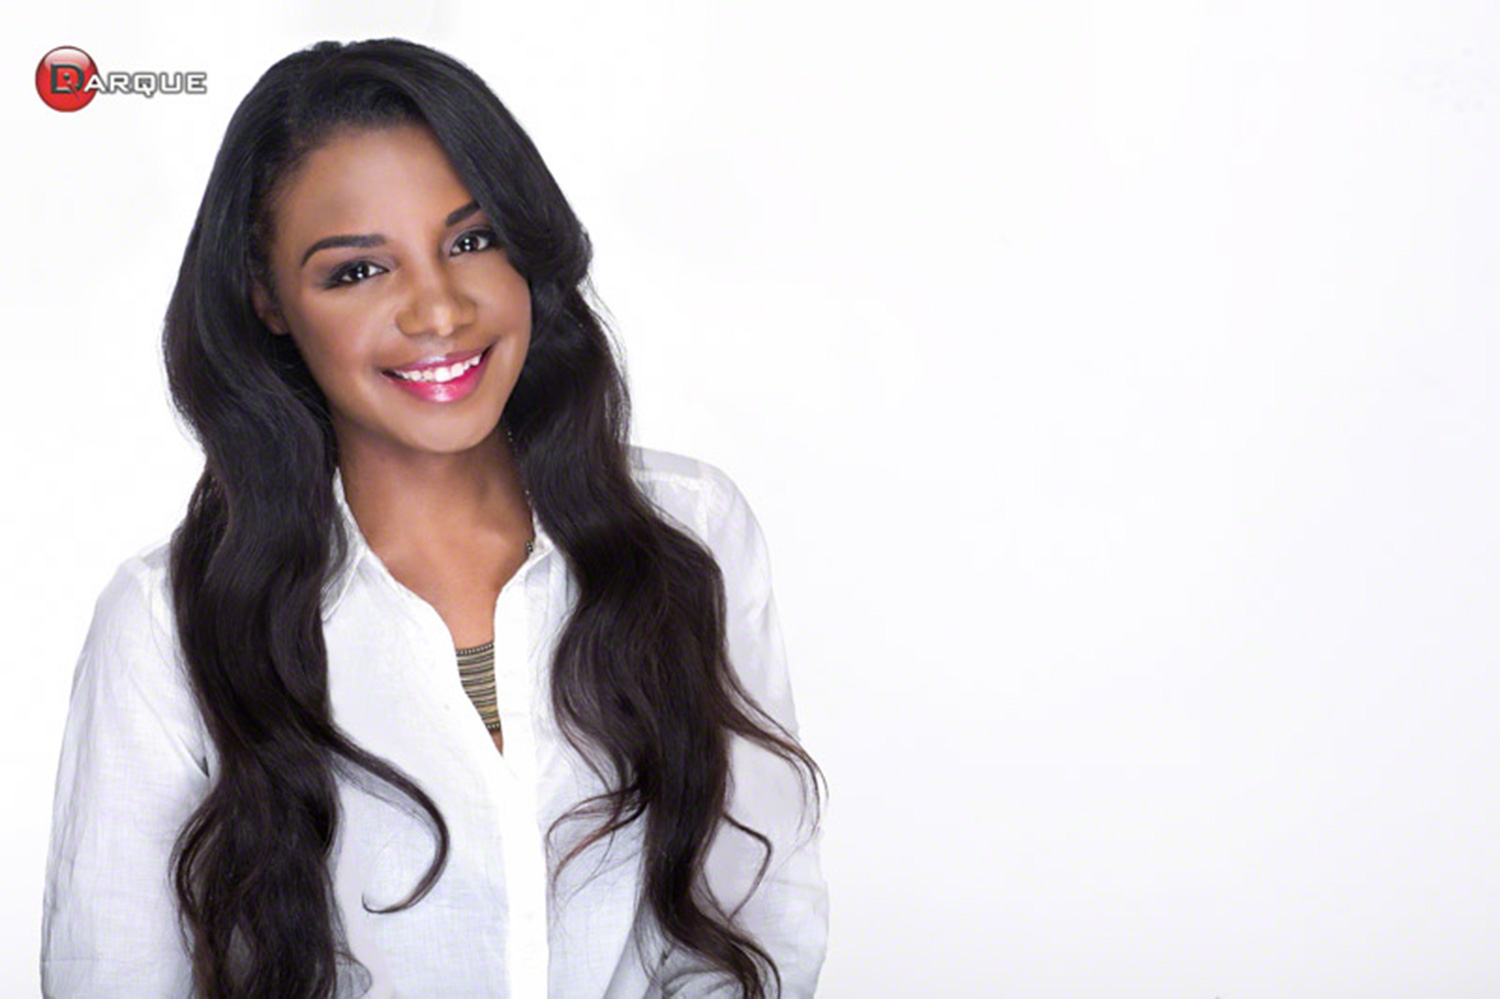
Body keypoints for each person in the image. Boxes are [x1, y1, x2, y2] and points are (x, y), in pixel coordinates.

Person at [40, 37, 828, 999]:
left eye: (470, 241)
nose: (439, 310)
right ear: (269, 302)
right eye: (358, 271)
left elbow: (757, 919)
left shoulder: (687, 532)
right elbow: (112, 975)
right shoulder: (167, 621)